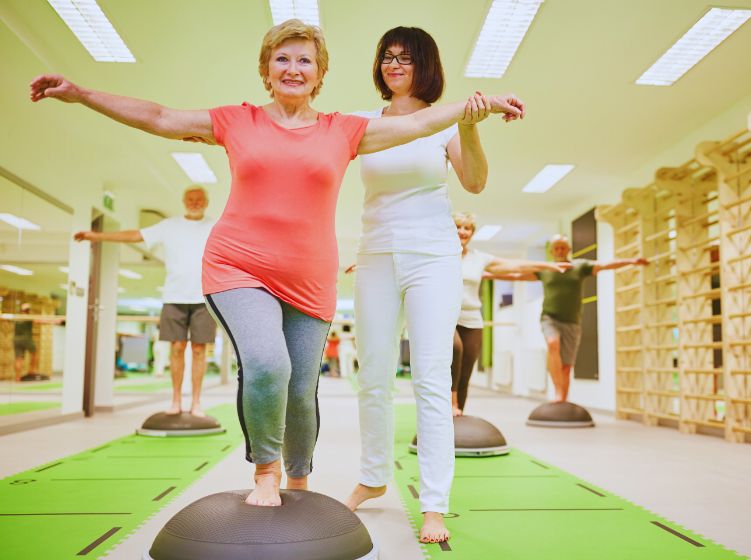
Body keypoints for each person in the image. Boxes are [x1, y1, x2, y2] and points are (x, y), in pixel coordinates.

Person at [31, 19, 523, 509]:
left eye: (304, 60)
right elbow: (159, 116)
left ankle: (300, 480)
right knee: (269, 365)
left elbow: (418, 125)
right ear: (266, 71)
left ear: (320, 72)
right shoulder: (237, 120)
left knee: (302, 387)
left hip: (312, 278)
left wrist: (480, 105)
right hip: (238, 266)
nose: (293, 68)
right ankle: (266, 471)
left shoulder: (342, 130)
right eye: (282, 59)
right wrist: (81, 93)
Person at [344, 26, 524, 544]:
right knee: (373, 373)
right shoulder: (363, 122)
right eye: (386, 57)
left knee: (429, 375)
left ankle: (435, 504)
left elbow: (475, 182)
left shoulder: (442, 123)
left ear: (426, 64)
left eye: (405, 57)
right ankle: (373, 477)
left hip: (434, 256)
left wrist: (471, 123)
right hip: (376, 252)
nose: (393, 65)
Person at [74, 186, 217, 416]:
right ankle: (176, 400)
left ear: (206, 202)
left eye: (199, 199)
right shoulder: (169, 226)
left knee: (199, 350)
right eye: (191, 199)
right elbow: (134, 235)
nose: (195, 202)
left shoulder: (215, 226)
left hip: (205, 296)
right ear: (184, 201)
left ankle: (197, 402)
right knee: (177, 347)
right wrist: (97, 236)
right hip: (173, 296)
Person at [450, 212, 571, 416]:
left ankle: (458, 416)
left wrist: (548, 265)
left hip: (472, 319)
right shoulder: (439, 255)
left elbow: (515, 265)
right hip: (447, 317)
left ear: (472, 232)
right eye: (458, 227)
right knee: (455, 350)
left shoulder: (479, 258)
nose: (463, 231)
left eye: (467, 228)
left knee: (466, 371)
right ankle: (450, 405)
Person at [503, 234, 648, 402]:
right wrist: (485, 275)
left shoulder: (579, 266)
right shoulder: (545, 269)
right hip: (550, 317)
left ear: (569, 249)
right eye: (556, 247)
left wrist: (631, 261)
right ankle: (557, 391)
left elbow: (604, 265)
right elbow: (515, 276)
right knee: (552, 343)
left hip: (572, 321)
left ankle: (563, 400)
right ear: (551, 251)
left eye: (562, 247)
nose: (559, 250)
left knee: (566, 366)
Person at [13, 303, 37, 381]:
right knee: (34, 353)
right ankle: (32, 370)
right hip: (27, 339)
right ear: (28, 310)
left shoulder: (17, 318)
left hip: (16, 340)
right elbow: (39, 320)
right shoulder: (29, 316)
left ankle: (17, 377)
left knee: (18, 359)